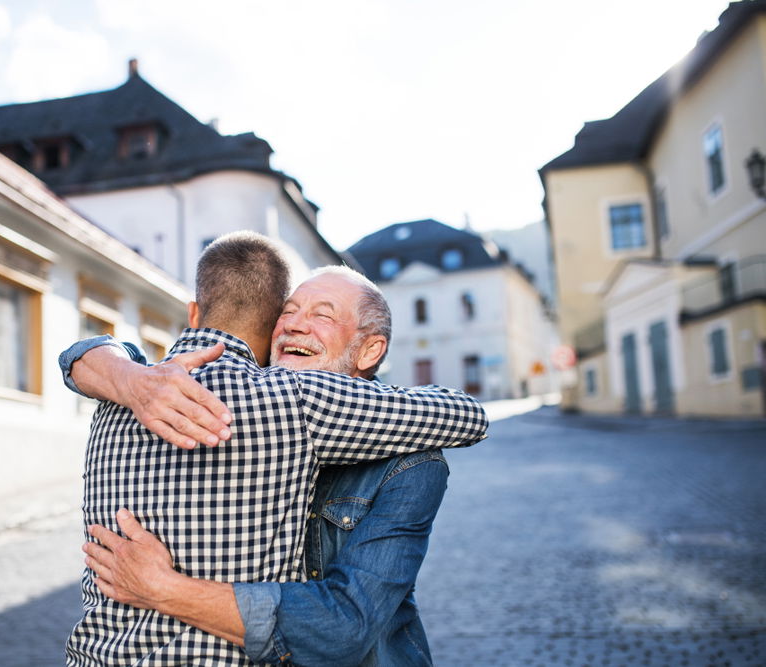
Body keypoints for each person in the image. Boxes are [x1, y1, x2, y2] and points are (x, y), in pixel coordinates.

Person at [62, 232, 487, 665]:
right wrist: (125, 377)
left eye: (323, 315)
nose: (296, 324)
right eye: (286, 312)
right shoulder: (240, 393)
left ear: (370, 349)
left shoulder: (410, 462)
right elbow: (91, 355)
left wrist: (165, 589)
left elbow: (345, 626)